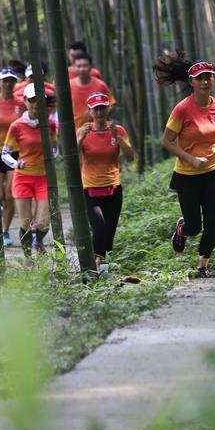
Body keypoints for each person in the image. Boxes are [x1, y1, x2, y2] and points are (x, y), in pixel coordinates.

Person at [154, 53, 215, 278]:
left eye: (208, 77)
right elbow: (166, 141)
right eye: (200, 78)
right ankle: (182, 228)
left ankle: (203, 266)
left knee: (212, 223)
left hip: (213, 172)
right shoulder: (182, 110)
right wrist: (190, 159)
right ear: (191, 82)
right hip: (187, 175)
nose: (205, 81)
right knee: (194, 227)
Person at [77, 92, 134, 275]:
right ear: (89, 111)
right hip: (90, 188)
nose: (100, 112)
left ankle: (102, 267)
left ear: (108, 109)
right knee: (99, 227)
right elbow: (68, 156)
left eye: (103, 108)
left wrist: (117, 136)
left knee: (109, 231)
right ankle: (91, 265)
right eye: (96, 109)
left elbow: (130, 156)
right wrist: (80, 138)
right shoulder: (83, 131)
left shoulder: (118, 130)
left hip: (113, 187)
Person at [2, 82, 58, 257]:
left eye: (39, 100)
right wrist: (15, 164)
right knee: (25, 223)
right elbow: (5, 153)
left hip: (43, 177)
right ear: (25, 101)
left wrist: (52, 156)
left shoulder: (49, 125)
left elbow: (55, 148)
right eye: (32, 100)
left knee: (43, 222)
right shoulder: (17, 126)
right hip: (23, 178)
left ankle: (39, 240)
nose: (35, 104)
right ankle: (28, 259)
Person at [0, 66, 25, 247]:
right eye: (5, 80)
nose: (8, 84)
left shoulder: (20, 103)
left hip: (14, 152)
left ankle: (5, 231)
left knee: (9, 195)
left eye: (11, 81)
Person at [69, 52, 115, 128]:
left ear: (91, 67)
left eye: (85, 66)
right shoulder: (69, 86)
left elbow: (112, 105)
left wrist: (96, 113)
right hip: (75, 132)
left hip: (99, 130)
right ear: (73, 67)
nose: (82, 69)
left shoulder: (100, 85)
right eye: (79, 66)